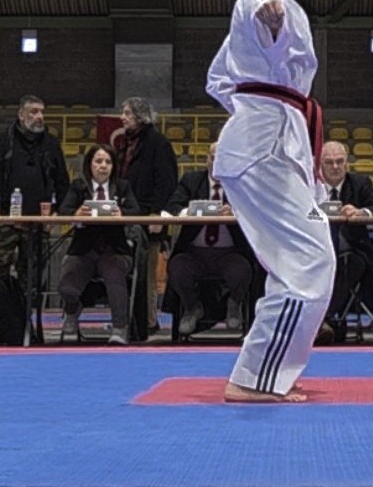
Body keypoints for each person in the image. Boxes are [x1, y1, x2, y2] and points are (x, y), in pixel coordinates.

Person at [206, 0, 335, 402]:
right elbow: (259, 13)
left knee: (305, 258)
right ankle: (253, 377)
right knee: (308, 259)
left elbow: (219, 77)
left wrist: (248, 107)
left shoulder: (287, 2)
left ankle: (268, 368)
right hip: (265, 146)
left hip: (274, 138)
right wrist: (269, 24)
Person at [0, 94, 69, 345]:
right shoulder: (0, 141)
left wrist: (58, 213)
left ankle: (28, 326)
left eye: (42, 112)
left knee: (33, 278)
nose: (39, 117)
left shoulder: (51, 144)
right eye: (34, 112)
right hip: (4, 221)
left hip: (38, 224)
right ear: (21, 114)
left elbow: (63, 183)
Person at [162, 142, 259, 337]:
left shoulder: (240, 183)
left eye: (220, 158)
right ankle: (192, 307)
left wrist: (236, 213)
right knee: (177, 267)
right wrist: (188, 212)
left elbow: (256, 212)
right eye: (212, 157)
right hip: (194, 252)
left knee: (243, 270)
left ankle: (234, 303)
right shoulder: (191, 180)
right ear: (207, 159)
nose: (215, 162)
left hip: (229, 252)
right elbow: (171, 207)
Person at [57, 144, 144, 345]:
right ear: (89, 165)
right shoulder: (78, 186)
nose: (103, 166)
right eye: (98, 161)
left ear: (113, 166)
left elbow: (137, 212)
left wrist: (122, 215)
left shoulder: (123, 187)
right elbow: (63, 211)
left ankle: (120, 328)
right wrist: (76, 214)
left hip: (114, 250)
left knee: (115, 277)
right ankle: (71, 310)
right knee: (67, 287)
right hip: (83, 250)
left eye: (108, 162)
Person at [316, 140, 373, 344]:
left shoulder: (360, 183)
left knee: (348, 264)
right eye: (329, 162)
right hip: (315, 252)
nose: (335, 167)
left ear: (347, 163)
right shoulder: (309, 185)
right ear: (319, 164)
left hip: (353, 251)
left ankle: (320, 320)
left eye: (339, 162)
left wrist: (361, 212)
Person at [114, 96, 178, 336]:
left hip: (150, 217)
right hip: (129, 215)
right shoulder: (126, 143)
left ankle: (149, 320)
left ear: (140, 117)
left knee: (148, 272)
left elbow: (166, 182)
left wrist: (157, 215)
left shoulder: (158, 143)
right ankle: (133, 319)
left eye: (127, 113)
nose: (122, 118)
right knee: (133, 271)